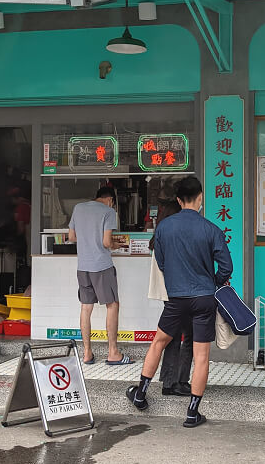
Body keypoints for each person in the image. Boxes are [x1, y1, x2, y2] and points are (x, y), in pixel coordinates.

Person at [126, 176, 232, 428]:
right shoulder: (211, 229)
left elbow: (161, 263)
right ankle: (192, 412)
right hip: (204, 298)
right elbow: (227, 267)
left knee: (158, 343)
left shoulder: (164, 227)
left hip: (176, 299)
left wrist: (177, 280)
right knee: (201, 356)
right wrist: (212, 281)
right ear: (200, 198)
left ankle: (140, 394)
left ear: (177, 199)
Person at [69, 185, 130, 365]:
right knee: (113, 305)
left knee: (85, 308)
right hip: (101, 267)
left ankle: (87, 353)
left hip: (83, 267)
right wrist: (115, 245)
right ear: (110, 200)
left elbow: (72, 237)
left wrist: (88, 238)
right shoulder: (108, 212)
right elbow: (105, 242)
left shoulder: (78, 208)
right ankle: (113, 353)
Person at [150, 199, 193, 397]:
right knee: (188, 337)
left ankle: (169, 382)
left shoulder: (160, 235)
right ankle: (179, 382)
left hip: (170, 294)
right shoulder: (174, 237)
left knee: (172, 338)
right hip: (181, 293)